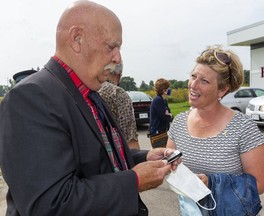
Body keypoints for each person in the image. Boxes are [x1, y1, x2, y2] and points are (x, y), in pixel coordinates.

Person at [0, 1, 180, 215]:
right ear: (77, 39)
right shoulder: (31, 97)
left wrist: (144, 158)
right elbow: (50, 204)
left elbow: (99, 160)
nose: (118, 58)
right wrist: (135, 180)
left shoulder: (89, 92)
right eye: (112, 46)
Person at [166, 45, 264, 215]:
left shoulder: (243, 128)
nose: (193, 85)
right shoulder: (179, 123)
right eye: (193, 76)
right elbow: (171, 165)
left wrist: (212, 182)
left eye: (204, 81)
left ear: (222, 89)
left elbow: (259, 184)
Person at [98, 62, 140, 150]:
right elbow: (130, 140)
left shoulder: (90, 90)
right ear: (119, 75)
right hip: (115, 157)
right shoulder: (118, 93)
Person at [149, 78, 172, 148]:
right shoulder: (158, 100)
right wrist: (169, 116)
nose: (170, 90)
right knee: (161, 154)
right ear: (164, 90)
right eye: (168, 88)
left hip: (163, 131)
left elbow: (169, 114)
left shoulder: (163, 100)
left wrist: (169, 115)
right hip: (158, 133)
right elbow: (165, 117)